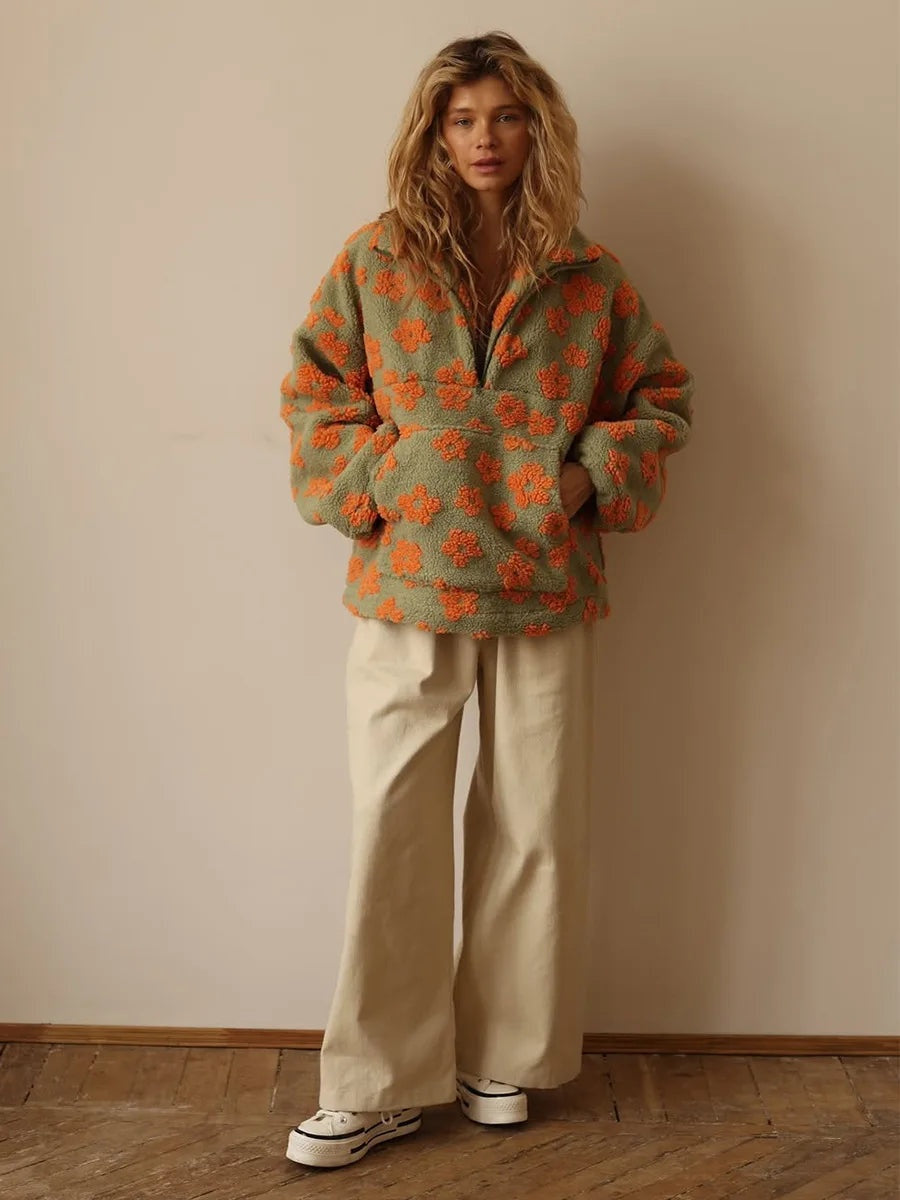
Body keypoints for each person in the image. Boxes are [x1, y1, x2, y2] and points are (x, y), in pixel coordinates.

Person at [279, 30, 695, 1170]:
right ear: (432, 133)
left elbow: (660, 396)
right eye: (461, 119)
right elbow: (315, 389)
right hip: (408, 580)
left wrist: (584, 478)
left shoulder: (589, 275)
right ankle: (376, 1083)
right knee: (394, 829)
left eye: (506, 116)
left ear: (536, 128)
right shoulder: (376, 259)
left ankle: (501, 1054)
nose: (484, 139)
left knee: (535, 826)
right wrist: (384, 479)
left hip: (545, 585)